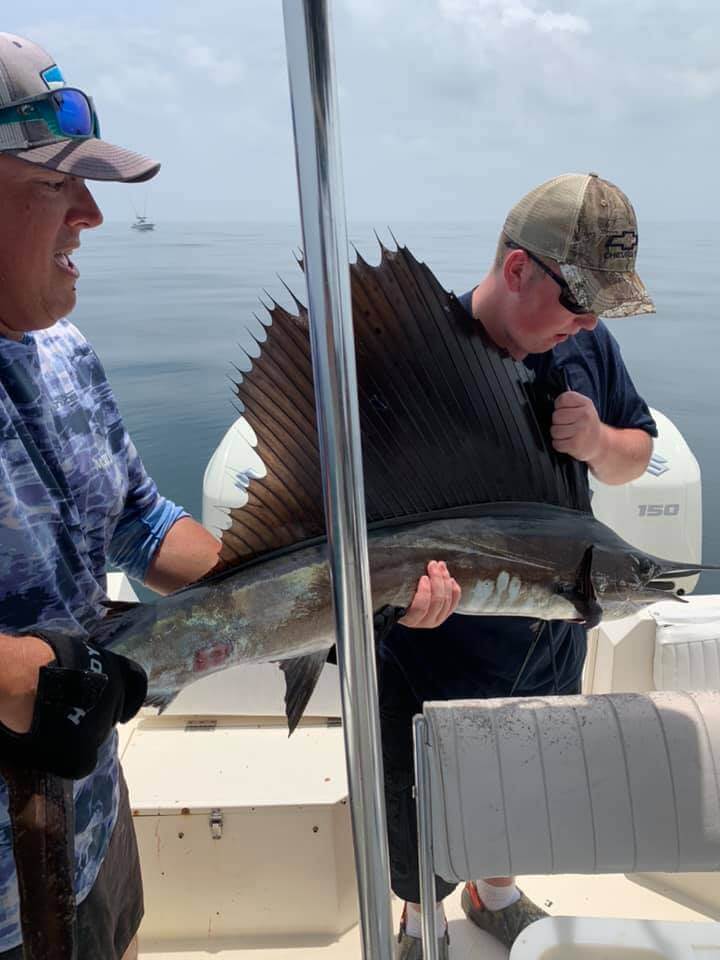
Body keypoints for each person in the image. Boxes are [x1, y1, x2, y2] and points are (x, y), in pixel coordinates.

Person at [0, 32, 459, 960]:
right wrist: (23, 681)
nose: (91, 213)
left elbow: (143, 527)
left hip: (91, 826)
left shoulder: (63, 352)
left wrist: (330, 592)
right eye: (56, 184)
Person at [381, 172, 658, 959]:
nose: (588, 323)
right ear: (516, 269)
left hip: (552, 632)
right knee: (416, 799)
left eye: (600, 308)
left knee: (524, 786)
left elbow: (638, 452)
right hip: (429, 644)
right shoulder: (418, 356)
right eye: (579, 302)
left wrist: (599, 441)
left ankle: (494, 892)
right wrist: (400, 599)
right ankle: (420, 919)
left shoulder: (585, 344)